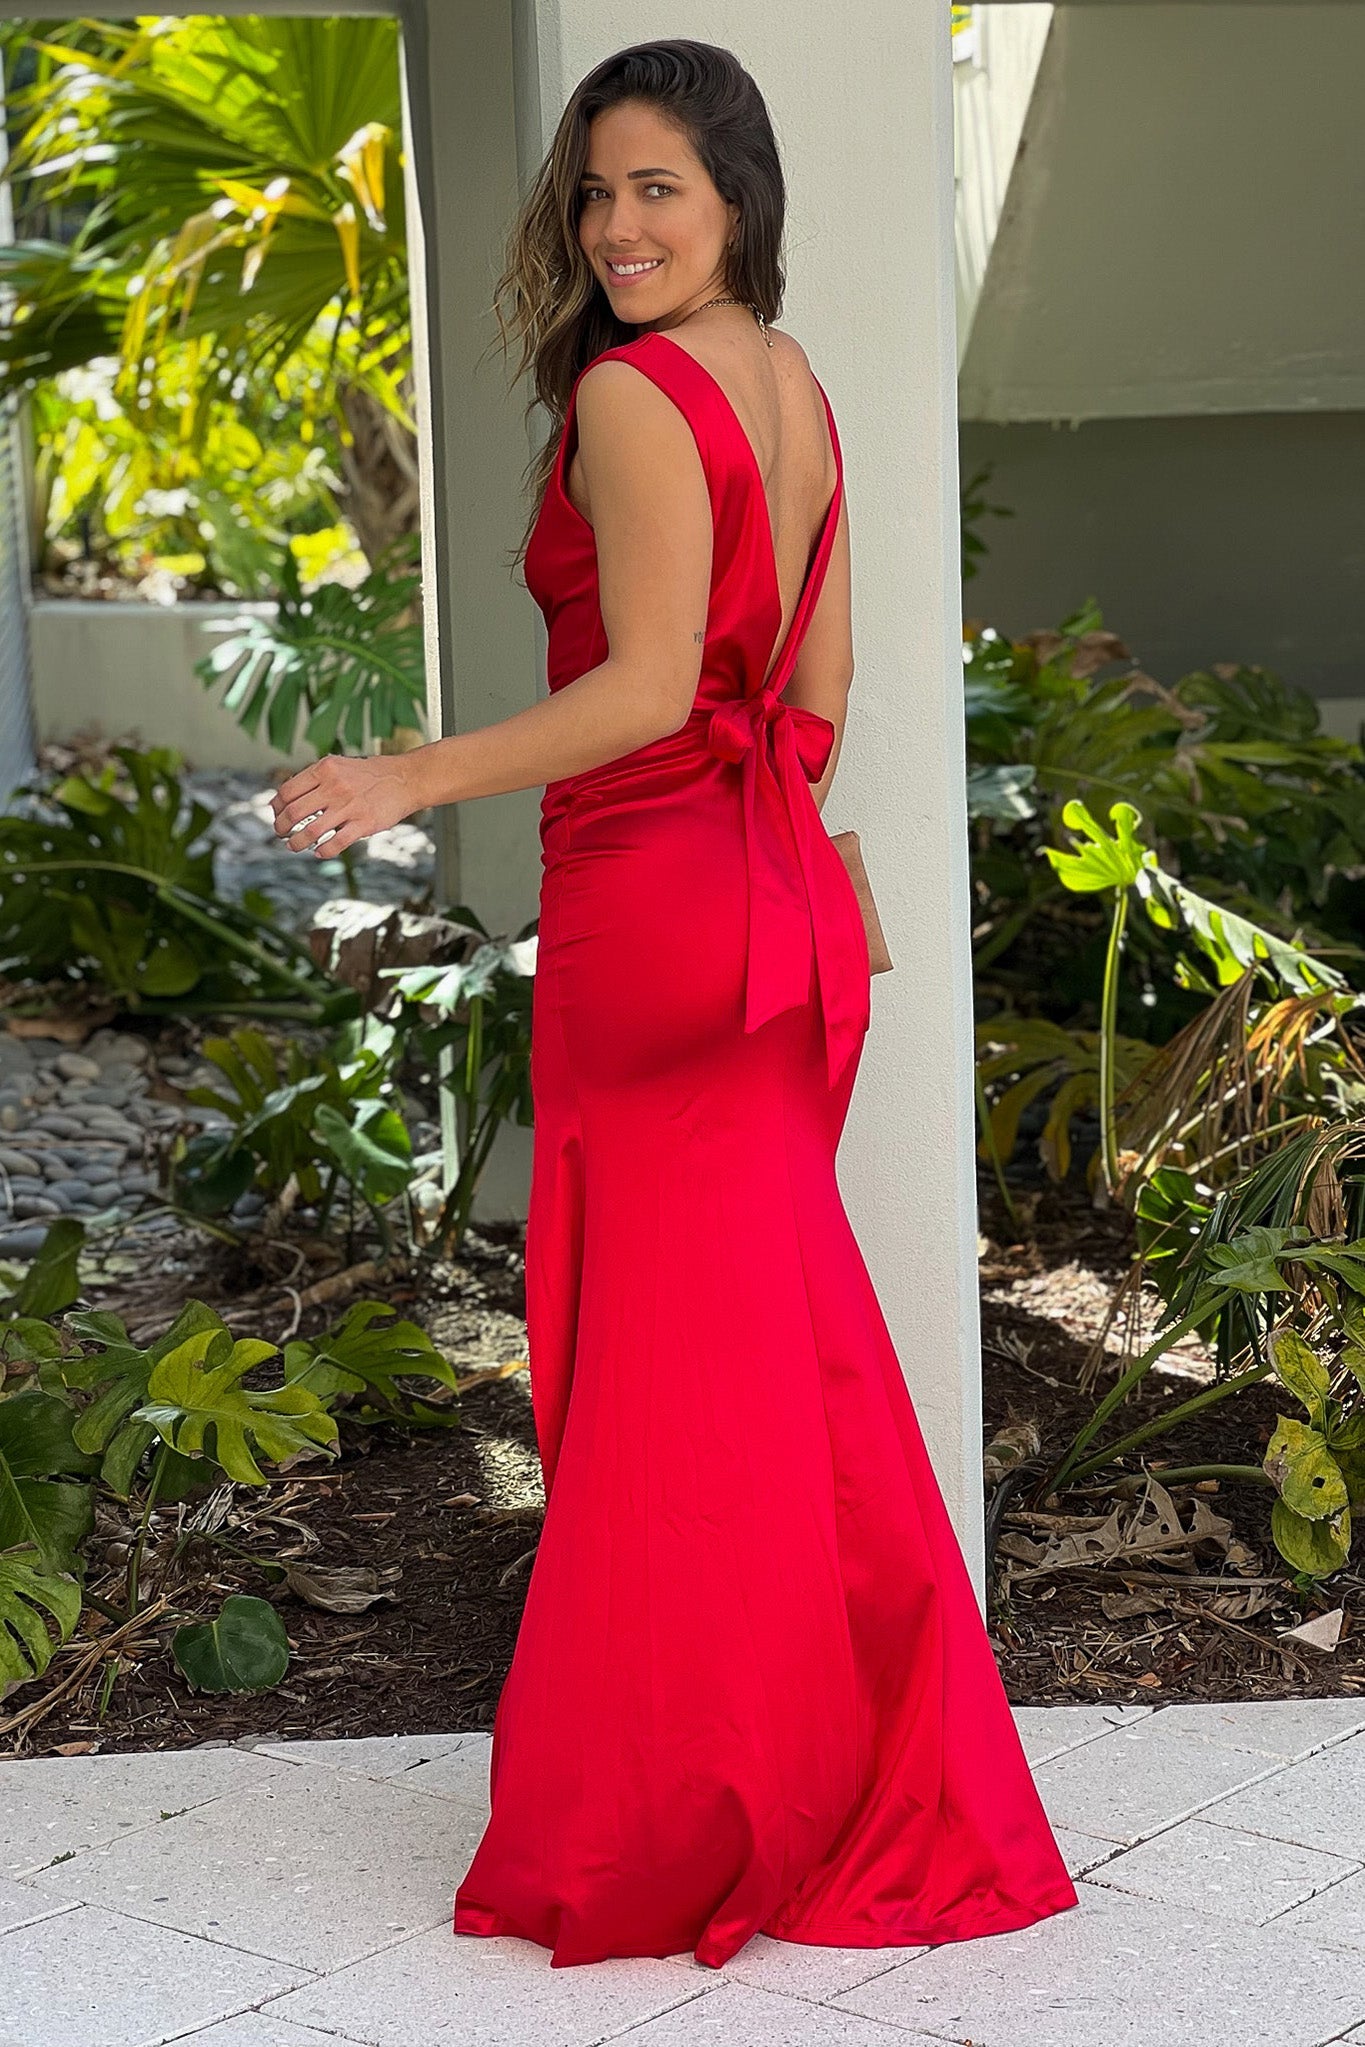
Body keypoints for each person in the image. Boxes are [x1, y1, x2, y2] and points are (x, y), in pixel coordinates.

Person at [270, 37, 1078, 1974]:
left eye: (659, 191)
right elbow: (811, 699)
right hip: (771, 913)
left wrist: (408, 776)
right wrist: (747, 843)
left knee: (655, 1397)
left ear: (735, 205)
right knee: (778, 1382)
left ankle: (678, 1817)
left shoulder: (638, 398)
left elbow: (642, 691)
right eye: (598, 189)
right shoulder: (791, 388)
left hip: (656, 923)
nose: (618, 225)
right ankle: (836, 1778)